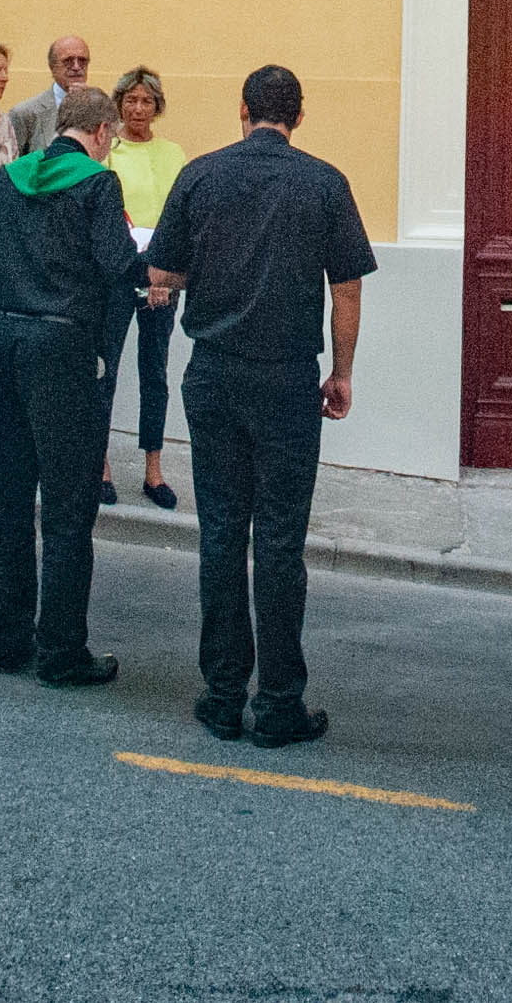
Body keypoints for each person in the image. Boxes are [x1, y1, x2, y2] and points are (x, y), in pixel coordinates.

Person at [145, 63, 377, 749]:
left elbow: (163, 273)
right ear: (298, 117)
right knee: (279, 542)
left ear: (242, 109)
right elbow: (349, 290)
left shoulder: (200, 175)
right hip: (284, 380)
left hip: (212, 373)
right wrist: (342, 373)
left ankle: (222, 694)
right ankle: (279, 702)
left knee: (220, 534)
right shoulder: (325, 183)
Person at [0, 82, 141, 685]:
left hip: (2, 341)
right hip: (63, 347)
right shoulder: (98, 184)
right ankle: (62, 651)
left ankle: (7, 642)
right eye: (111, 137)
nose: (109, 147)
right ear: (99, 133)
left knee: (7, 497)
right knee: (68, 506)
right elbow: (119, 265)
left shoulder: (5, 180)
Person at [108, 66, 188, 508]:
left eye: (147, 100)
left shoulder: (173, 152)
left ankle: (153, 468)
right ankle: (98, 464)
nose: (138, 108)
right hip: (118, 274)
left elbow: (179, 217)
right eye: (131, 100)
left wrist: (162, 274)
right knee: (107, 369)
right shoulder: (109, 150)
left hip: (161, 279)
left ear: (157, 106)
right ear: (119, 103)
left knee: (154, 374)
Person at [0, 31, 90, 159]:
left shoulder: (101, 110)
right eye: (68, 61)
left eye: (82, 61)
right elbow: (14, 166)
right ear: (52, 66)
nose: (76, 67)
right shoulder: (25, 113)